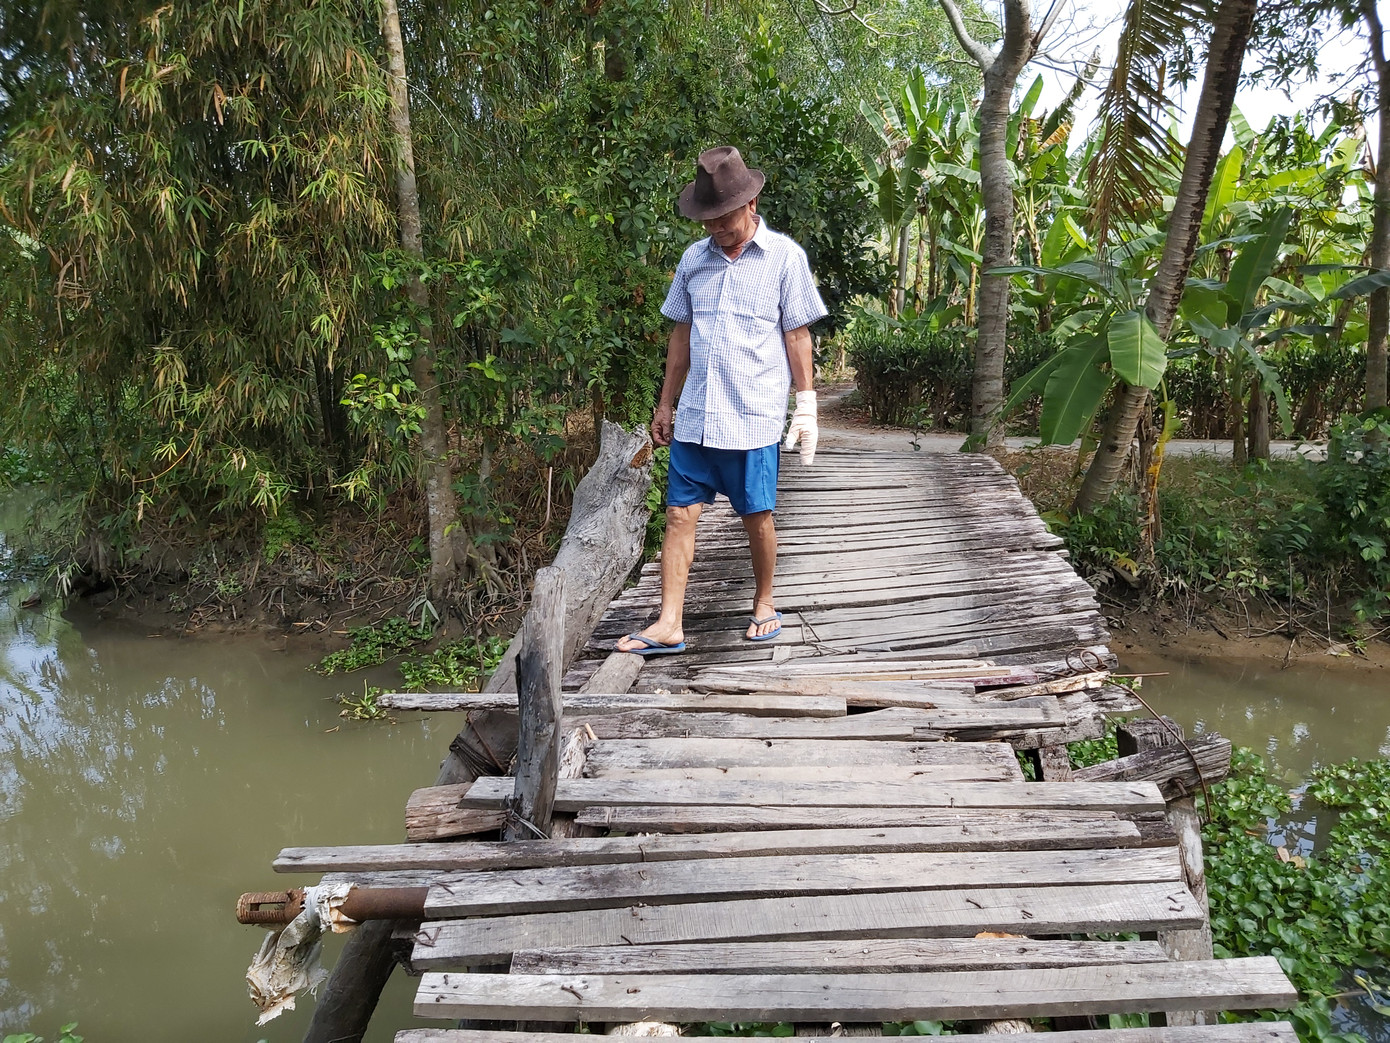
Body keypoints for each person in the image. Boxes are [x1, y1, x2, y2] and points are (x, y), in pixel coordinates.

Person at [616, 146, 827, 656]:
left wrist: (806, 405)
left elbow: (797, 336)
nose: (716, 230)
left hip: (752, 418)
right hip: (696, 417)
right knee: (679, 515)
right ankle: (669, 623)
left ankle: (765, 600)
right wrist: (664, 403)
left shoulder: (785, 259)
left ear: (752, 204)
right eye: (707, 221)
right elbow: (680, 337)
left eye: (724, 220)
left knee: (756, 515)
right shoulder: (694, 260)